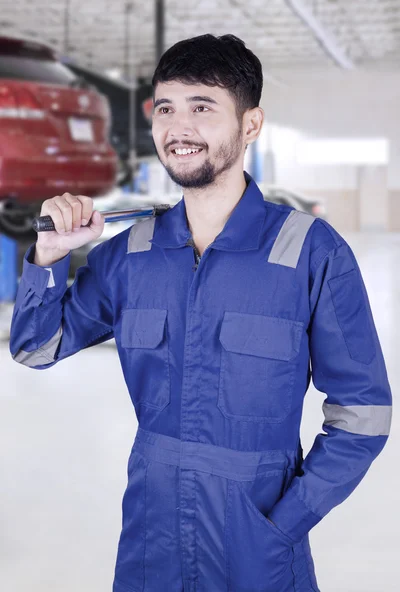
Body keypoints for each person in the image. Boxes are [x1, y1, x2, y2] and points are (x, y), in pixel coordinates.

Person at [10, 34, 392, 592]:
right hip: (151, 537)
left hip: (257, 542)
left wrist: (284, 525)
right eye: (166, 107)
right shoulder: (129, 252)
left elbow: (364, 413)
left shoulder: (311, 251)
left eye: (202, 107)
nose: (178, 127)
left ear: (251, 124)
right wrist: (49, 258)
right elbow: (33, 348)